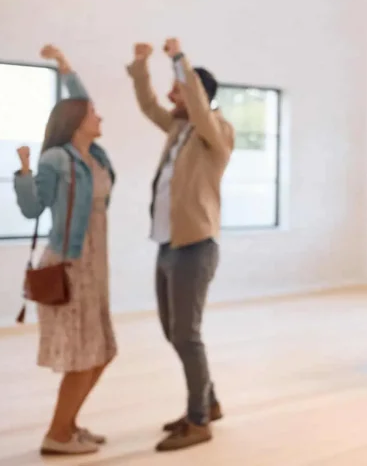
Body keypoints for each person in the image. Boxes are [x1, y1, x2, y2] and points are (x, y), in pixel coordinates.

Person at [126, 38, 234, 452]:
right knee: (174, 332)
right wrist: (140, 66)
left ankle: (198, 420)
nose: (171, 96)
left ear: (197, 96)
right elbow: (149, 105)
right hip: (168, 245)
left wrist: (178, 61)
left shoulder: (216, 132)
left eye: (179, 90)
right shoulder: (179, 128)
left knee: (186, 334)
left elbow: (196, 105)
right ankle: (209, 401)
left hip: (195, 246)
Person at [15, 45, 117, 456]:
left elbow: (80, 100)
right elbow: (32, 209)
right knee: (83, 356)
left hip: (96, 267)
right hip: (70, 265)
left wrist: (67, 68)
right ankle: (57, 435)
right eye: (93, 113)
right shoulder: (58, 159)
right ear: (77, 121)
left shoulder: (97, 156)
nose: (100, 116)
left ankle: (69, 426)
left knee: (102, 351)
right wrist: (24, 170)